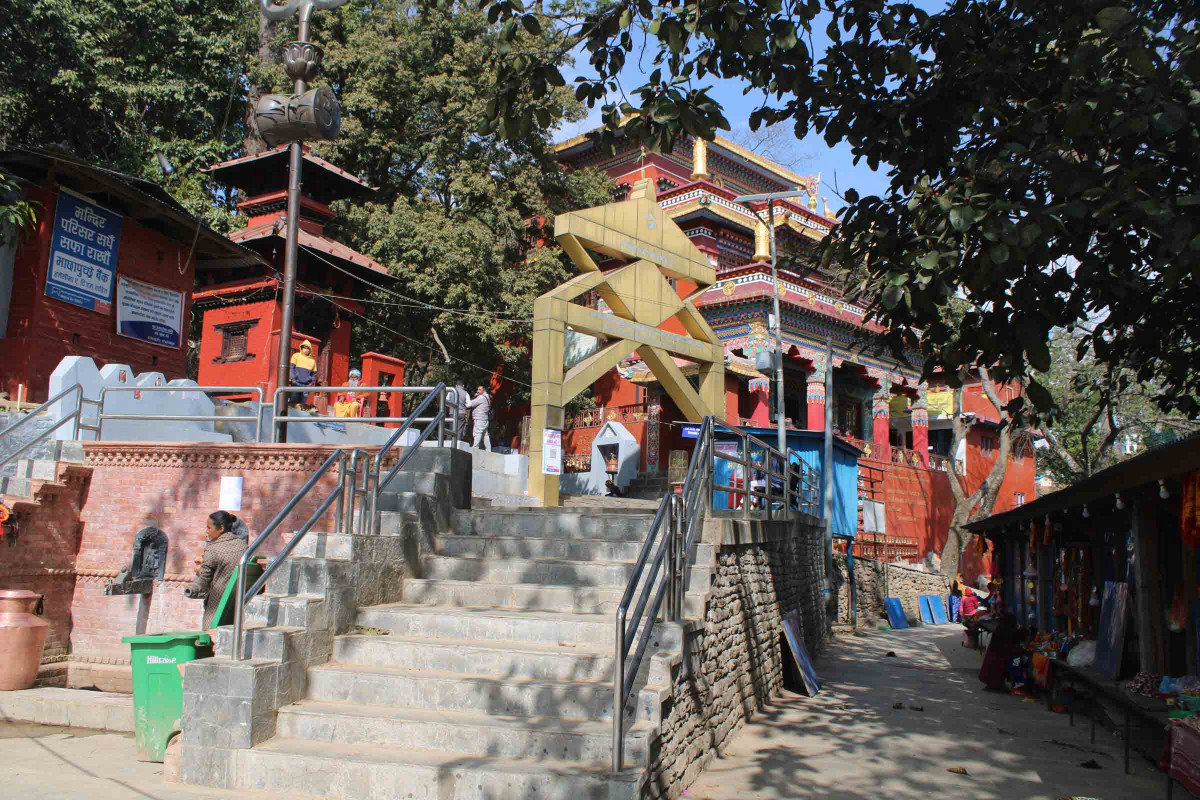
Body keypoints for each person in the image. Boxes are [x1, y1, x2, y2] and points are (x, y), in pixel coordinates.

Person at [184, 511, 249, 630]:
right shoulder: (244, 547)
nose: (206, 531)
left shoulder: (212, 549)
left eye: (209, 527)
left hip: (216, 610)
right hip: (237, 609)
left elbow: (203, 585)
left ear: (221, 528)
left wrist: (191, 589)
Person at [465, 385, 491, 451]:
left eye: (479, 390)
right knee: (485, 435)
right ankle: (488, 449)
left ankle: (475, 448)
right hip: (484, 418)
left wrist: (474, 397)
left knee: (477, 432)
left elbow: (470, 404)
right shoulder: (487, 397)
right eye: (477, 389)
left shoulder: (481, 397)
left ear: (484, 390)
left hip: (479, 418)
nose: (477, 391)